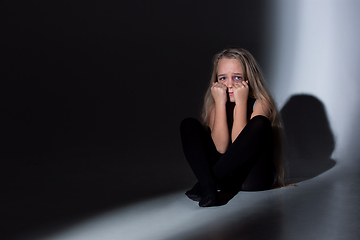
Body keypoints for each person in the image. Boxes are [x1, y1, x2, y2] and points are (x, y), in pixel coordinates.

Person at [180, 48, 285, 207]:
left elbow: (240, 147)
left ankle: (204, 185)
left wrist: (241, 103)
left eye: (237, 78)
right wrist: (220, 105)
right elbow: (220, 149)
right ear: (215, 81)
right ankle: (209, 187)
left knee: (260, 122)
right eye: (223, 78)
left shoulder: (261, 104)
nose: (229, 84)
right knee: (188, 124)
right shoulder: (214, 106)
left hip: (252, 179)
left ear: (248, 80)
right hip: (224, 179)